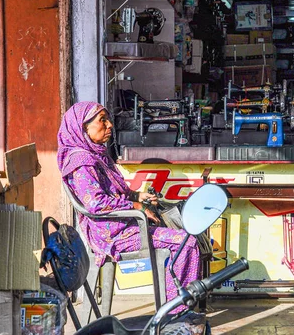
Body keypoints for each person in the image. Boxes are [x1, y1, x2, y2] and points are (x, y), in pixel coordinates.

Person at [57, 101, 199, 310]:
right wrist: (138, 207)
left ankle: (175, 304)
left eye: (108, 119)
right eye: (102, 121)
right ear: (83, 127)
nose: (110, 125)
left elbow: (112, 192)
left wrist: (137, 196)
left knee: (180, 233)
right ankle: (176, 312)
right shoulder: (82, 162)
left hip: (123, 225)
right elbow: (96, 203)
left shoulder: (97, 155)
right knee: (186, 242)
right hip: (113, 233)